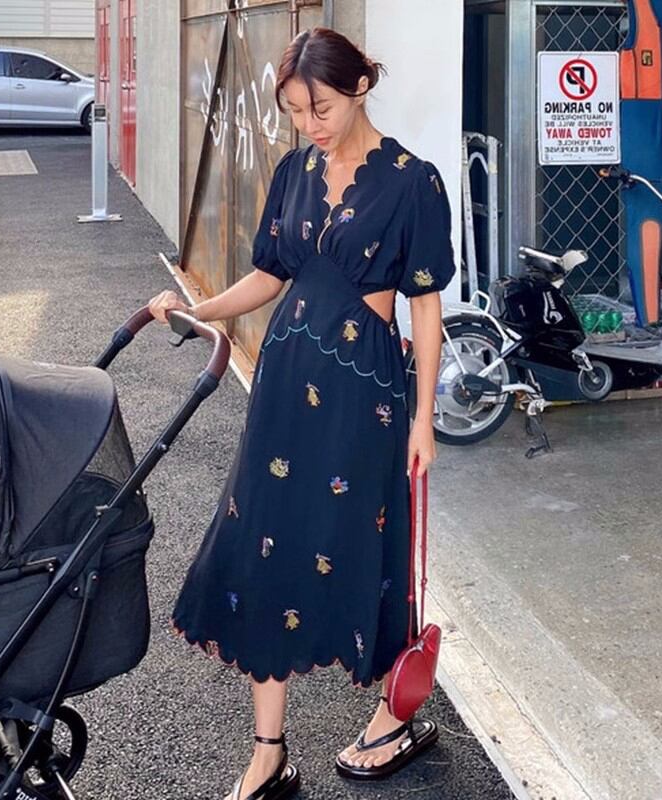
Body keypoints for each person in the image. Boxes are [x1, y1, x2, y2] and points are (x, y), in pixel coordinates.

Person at [149, 27, 456, 800]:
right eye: (293, 110)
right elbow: (268, 275)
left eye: (320, 107)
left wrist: (424, 418)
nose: (308, 124)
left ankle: (393, 716)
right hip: (284, 389)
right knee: (263, 544)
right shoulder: (292, 171)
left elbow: (425, 308)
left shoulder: (412, 182)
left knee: (363, 544)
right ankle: (268, 752)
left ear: (359, 87)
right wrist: (194, 311)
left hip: (363, 397)